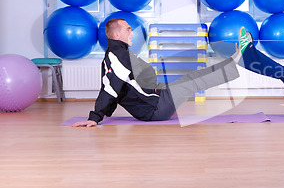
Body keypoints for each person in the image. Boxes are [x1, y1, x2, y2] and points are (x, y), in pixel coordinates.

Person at [72, 18, 241, 127]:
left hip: (157, 101)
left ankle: (232, 63)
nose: (132, 33)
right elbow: (110, 88)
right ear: (117, 34)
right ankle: (233, 64)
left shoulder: (120, 54)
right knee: (193, 81)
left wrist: (107, 113)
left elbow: (124, 85)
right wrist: (95, 117)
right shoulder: (116, 56)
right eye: (128, 29)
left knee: (191, 78)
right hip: (154, 109)